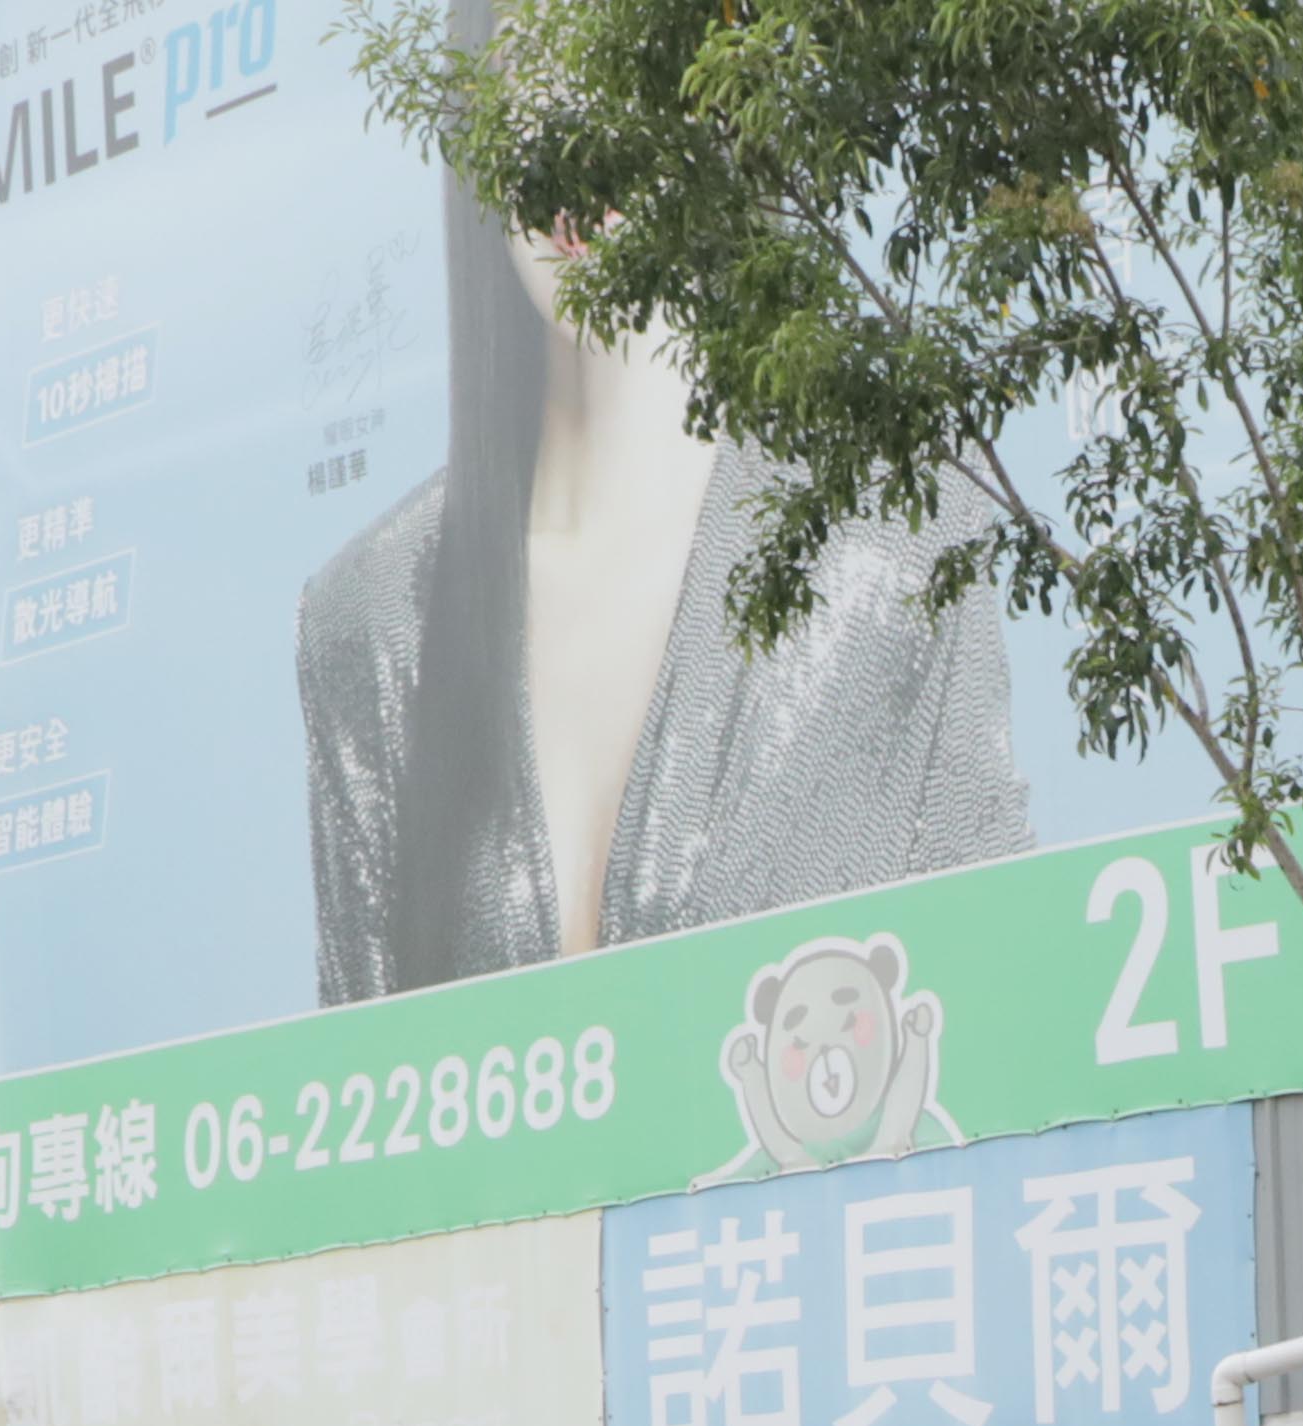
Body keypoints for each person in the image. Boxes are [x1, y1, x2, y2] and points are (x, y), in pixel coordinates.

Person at [299, 194, 1027, 1003]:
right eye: (529, 69)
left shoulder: (894, 532)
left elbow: (999, 976)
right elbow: (362, 1070)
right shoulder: (368, 612)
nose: (575, 148)